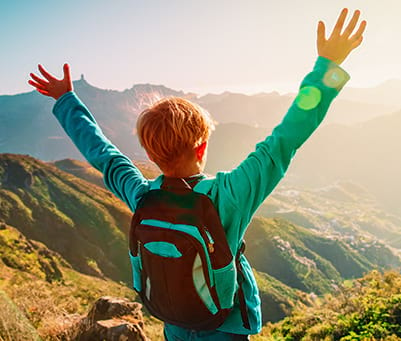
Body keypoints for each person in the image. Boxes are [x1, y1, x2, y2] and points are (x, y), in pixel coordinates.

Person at [28, 8, 366, 340]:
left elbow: (102, 154)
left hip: (173, 321)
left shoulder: (141, 194)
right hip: (225, 327)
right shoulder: (229, 194)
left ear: (148, 153)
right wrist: (328, 66)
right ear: (202, 147)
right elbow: (287, 137)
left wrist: (66, 99)